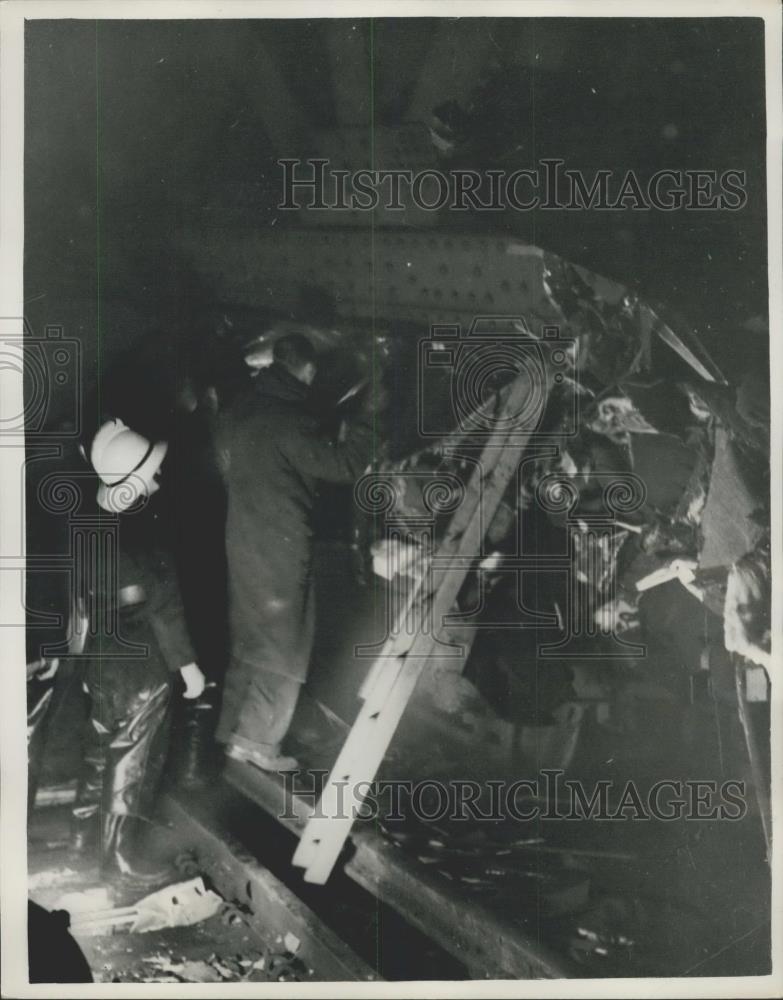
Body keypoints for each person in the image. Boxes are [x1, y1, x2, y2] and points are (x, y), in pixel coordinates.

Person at [216, 332, 374, 771]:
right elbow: (344, 466)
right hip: (280, 548)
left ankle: (230, 732)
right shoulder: (290, 421)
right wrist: (366, 425)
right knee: (285, 644)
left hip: (242, 539)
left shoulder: (242, 409)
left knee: (249, 638)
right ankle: (259, 744)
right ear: (305, 370)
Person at [70, 418, 206, 890]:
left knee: (101, 747)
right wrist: (186, 664)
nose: (157, 479)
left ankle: (82, 842)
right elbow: (162, 604)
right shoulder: (141, 537)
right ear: (129, 483)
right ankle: (119, 864)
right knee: (134, 759)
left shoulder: (93, 520)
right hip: (141, 661)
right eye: (149, 472)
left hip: (101, 658)